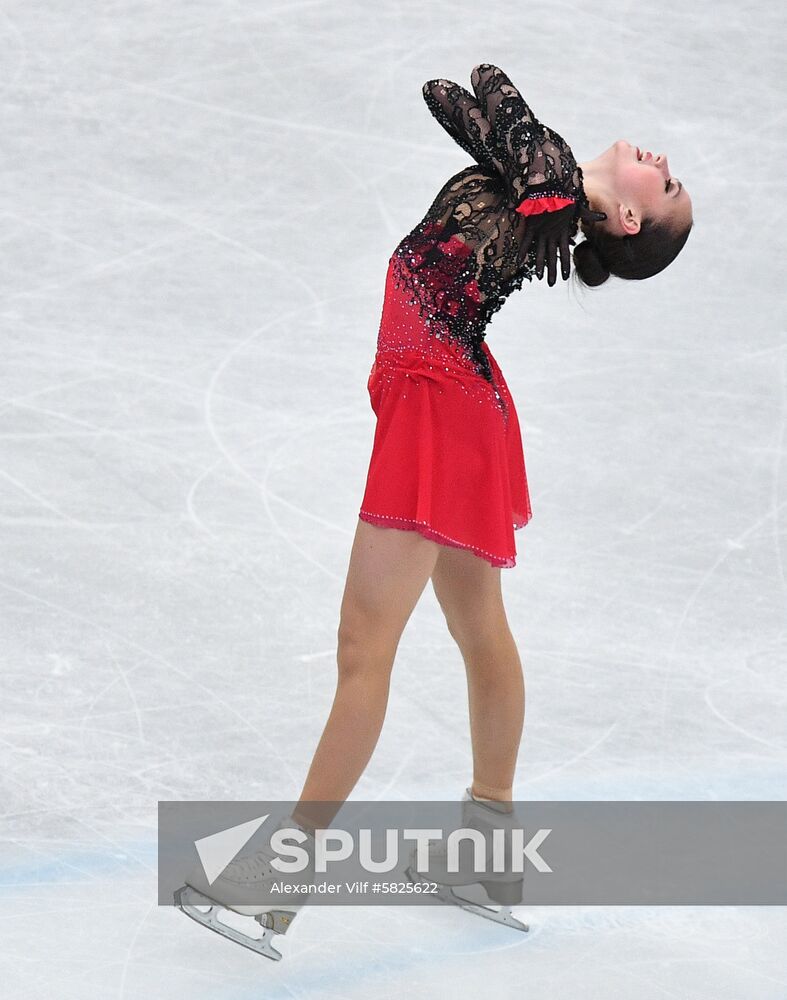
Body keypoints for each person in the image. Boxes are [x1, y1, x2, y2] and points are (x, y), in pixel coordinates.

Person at [177, 62, 694, 959]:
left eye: (668, 183)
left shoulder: (551, 185)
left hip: (442, 411)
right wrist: (486, 109)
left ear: (628, 219)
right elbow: (459, 101)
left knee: (361, 649)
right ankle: (487, 858)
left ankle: (274, 883)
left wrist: (491, 108)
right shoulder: (546, 183)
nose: (660, 160)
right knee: (478, 630)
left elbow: (494, 94)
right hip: (447, 396)